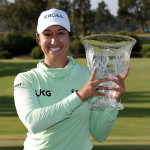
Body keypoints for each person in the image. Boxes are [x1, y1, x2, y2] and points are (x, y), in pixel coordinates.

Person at [14, 8, 129, 150]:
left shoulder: (90, 78)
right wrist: (80, 96)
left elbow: (100, 134)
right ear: (38, 38)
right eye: (47, 34)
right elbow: (34, 123)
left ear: (70, 36)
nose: (54, 41)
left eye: (61, 33)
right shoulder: (26, 79)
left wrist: (113, 101)